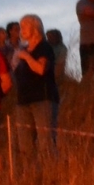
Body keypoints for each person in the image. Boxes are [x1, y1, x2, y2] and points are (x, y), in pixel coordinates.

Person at [12, 14, 60, 164]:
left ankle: (51, 171)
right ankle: (31, 173)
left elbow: (40, 69)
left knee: (46, 142)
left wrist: (26, 57)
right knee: (25, 145)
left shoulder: (44, 47)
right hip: (23, 101)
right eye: (21, 27)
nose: (22, 30)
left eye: (25, 26)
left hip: (42, 99)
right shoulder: (22, 50)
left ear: (36, 27)